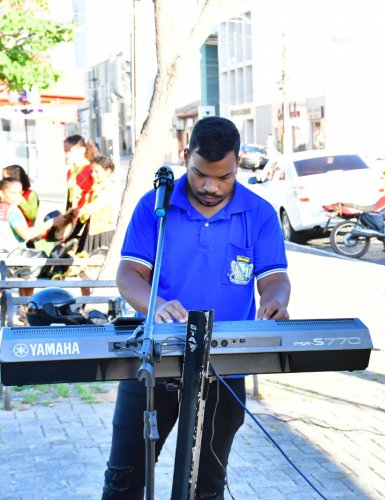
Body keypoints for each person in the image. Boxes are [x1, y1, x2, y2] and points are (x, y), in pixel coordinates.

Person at [101, 116, 291, 499]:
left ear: (239, 162)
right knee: (124, 478)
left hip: (224, 365)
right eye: (201, 173)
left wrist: (276, 301)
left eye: (224, 177)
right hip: (155, 360)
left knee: (206, 487)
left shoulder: (260, 214)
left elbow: (274, 279)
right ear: (185, 156)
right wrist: (154, 305)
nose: (210, 186)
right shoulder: (156, 206)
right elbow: (129, 275)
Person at [75, 155, 118, 256]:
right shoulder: (94, 188)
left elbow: (94, 206)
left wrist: (79, 211)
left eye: (96, 171)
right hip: (90, 230)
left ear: (108, 172)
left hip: (103, 232)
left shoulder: (109, 188)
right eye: (91, 171)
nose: (93, 174)